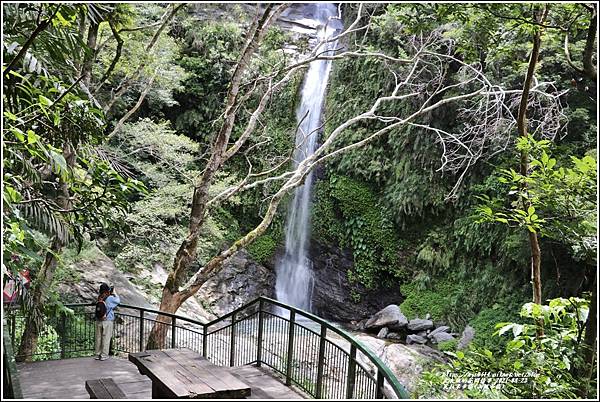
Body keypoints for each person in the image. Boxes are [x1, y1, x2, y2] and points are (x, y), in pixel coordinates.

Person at [94, 283, 120, 361]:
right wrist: (115, 293)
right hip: (107, 321)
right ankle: (104, 355)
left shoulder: (99, 298)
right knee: (106, 338)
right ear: (107, 291)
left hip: (98, 320)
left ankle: (97, 354)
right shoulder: (110, 298)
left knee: (98, 338)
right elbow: (118, 300)